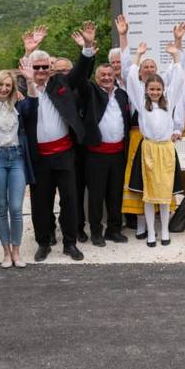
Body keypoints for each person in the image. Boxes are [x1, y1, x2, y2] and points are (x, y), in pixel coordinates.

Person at [18, 22, 96, 262]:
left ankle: (70, 243)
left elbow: (81, 71)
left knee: (70, 200)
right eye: (37, 67)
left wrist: (88, 46)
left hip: (64, 153)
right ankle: (43, 242)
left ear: (51, 68)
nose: (41, 71)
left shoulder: (61, 83)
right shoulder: (25, 88)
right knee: (40, 202)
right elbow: (23, 79)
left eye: (45, 67)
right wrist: (29, 52)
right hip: (39, 157)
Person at [115, 16, 185, 238]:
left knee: (163, 190)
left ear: (163, 90)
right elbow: (130, 77)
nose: (154, 92)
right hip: (147, 148)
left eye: (158, 89)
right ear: (146, 90)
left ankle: (164, 231)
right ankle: (150, 232)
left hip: (165, 149)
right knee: (146, 190)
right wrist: (137, 55)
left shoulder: (169, 101)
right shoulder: (140, 101)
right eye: (151, 89)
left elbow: (178, 78)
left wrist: (175, 54)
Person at [78, 61, 132, 247]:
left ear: (114, 76)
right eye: (103, 75)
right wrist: (87, 54)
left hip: (118, 154)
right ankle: (96, 232)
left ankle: (114, 230)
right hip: (96, 155)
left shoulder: (122, 94)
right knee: (96, 195)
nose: (107, 78)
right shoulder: (90, 92)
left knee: (115, 194)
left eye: (110, 74)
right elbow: (81, 79)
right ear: (96, 77)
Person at [0, 69, 35, 267]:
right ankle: (6, 252)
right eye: (0, 84)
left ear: (13, 88)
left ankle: (16, 251)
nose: (4, 88)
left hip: (17, 158)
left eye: (8, 85)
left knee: (15, 207)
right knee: (0, 207)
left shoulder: (19, 105)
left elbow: (33, 106)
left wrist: (29, 81)